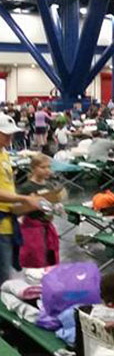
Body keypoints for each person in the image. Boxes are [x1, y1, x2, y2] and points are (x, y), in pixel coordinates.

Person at [0, 115, 42, 284]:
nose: (10, 137)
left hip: (8, 220)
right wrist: (23, 198)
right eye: (5, 134)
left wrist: (21, 203)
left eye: (11, 134)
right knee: (3, 276)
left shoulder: (4, 154)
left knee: (5, 271)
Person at [17, 154, 62, 268]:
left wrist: (57, 207)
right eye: (43, 167)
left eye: (49, 167)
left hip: (47, 225)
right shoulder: (26, 188)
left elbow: (52, 203)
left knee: (50, 256)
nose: (47, 170)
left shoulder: (49, 185)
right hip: (32, 228)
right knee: (35, 258)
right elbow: (18, 209)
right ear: (33, 168)